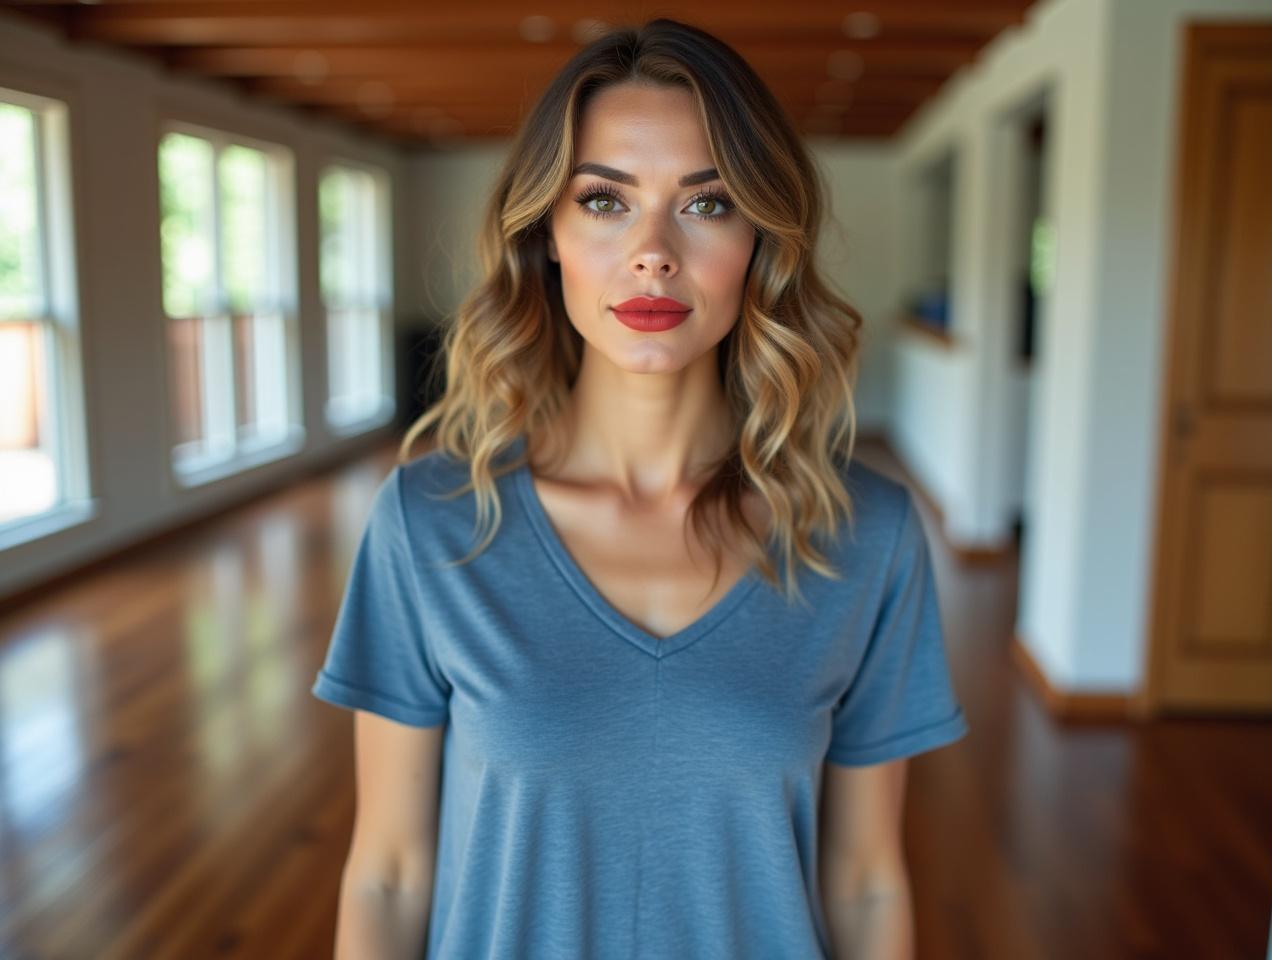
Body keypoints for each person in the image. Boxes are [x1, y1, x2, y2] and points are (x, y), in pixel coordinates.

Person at [311, 17, 969, 960]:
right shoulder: (430, 523)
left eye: (706, 205)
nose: (653, 250)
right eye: (605, 201)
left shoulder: (867, 534)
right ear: (548, 235)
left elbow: (866, 884)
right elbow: (387, 874)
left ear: (760, 242)